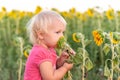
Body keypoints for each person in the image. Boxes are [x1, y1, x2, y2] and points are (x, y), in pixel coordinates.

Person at [24, 10, 73, 80]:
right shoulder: (41, 53)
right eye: (57, 32)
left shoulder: (49, 50)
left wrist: (61, 60)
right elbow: (50, 78)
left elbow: (52, 66)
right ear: (41, 35)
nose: (62, 36)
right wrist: (65, 68)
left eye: (63, 32)